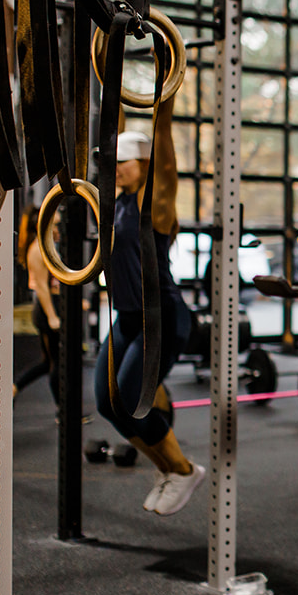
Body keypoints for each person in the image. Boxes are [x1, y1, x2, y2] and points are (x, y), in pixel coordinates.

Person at [96, 128, 203, 516]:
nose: (115, 168)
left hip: (160, 318)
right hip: (127, 319)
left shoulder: (154, 204)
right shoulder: (120, 201)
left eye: (123, 162)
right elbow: (115, 115)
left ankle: (183, 470)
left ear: (144, 164)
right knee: (106, 403)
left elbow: (167, 164)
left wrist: (164, 105)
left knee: (128, 401)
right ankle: (167, 469)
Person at [14, 206, 66, 413]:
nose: (58, 229)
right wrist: (53, 316)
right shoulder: (38, 250)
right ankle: (64, 412)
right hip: (47, 310)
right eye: (55, 225)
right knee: (58, 363)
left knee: (48, 363)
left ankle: (14, 388)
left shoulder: (49, 247)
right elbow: (42, 287)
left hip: (53, 305)